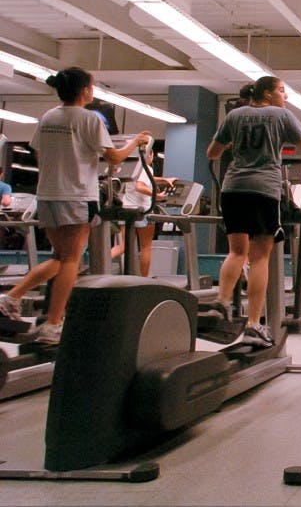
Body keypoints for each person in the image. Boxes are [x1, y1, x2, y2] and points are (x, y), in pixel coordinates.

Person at [0, 67, 150, 345]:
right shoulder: (89, 119)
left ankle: (11, 298)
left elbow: (38, 152)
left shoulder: (48, 116)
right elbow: (114, 157)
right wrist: (136, 142)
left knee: (60, 257)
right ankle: (52, 324)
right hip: (77, 195)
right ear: (85, 91)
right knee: (71, 260)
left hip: (47, 195)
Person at [206, 76, 301, 348]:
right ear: (267, 93)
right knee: (259, 257)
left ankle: (222, 303)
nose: (285, 96)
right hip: (263, 189)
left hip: (233, 187)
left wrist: (235, 141)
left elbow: (213, 153)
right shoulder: (281, 115)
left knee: (237, 252)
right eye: (282, 90)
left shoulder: (235, 116)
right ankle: (252, 324)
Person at [115, 143, 177, 277]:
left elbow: (146, 178)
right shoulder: (147, 167)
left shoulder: (134, 168)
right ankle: (143, 280)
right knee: (145, 247)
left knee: (122, 247)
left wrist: (164, 179)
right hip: (142, 211)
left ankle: (97, 267)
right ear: (149, 155)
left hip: (126, 209)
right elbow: (140, 186)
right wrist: (157, 195)